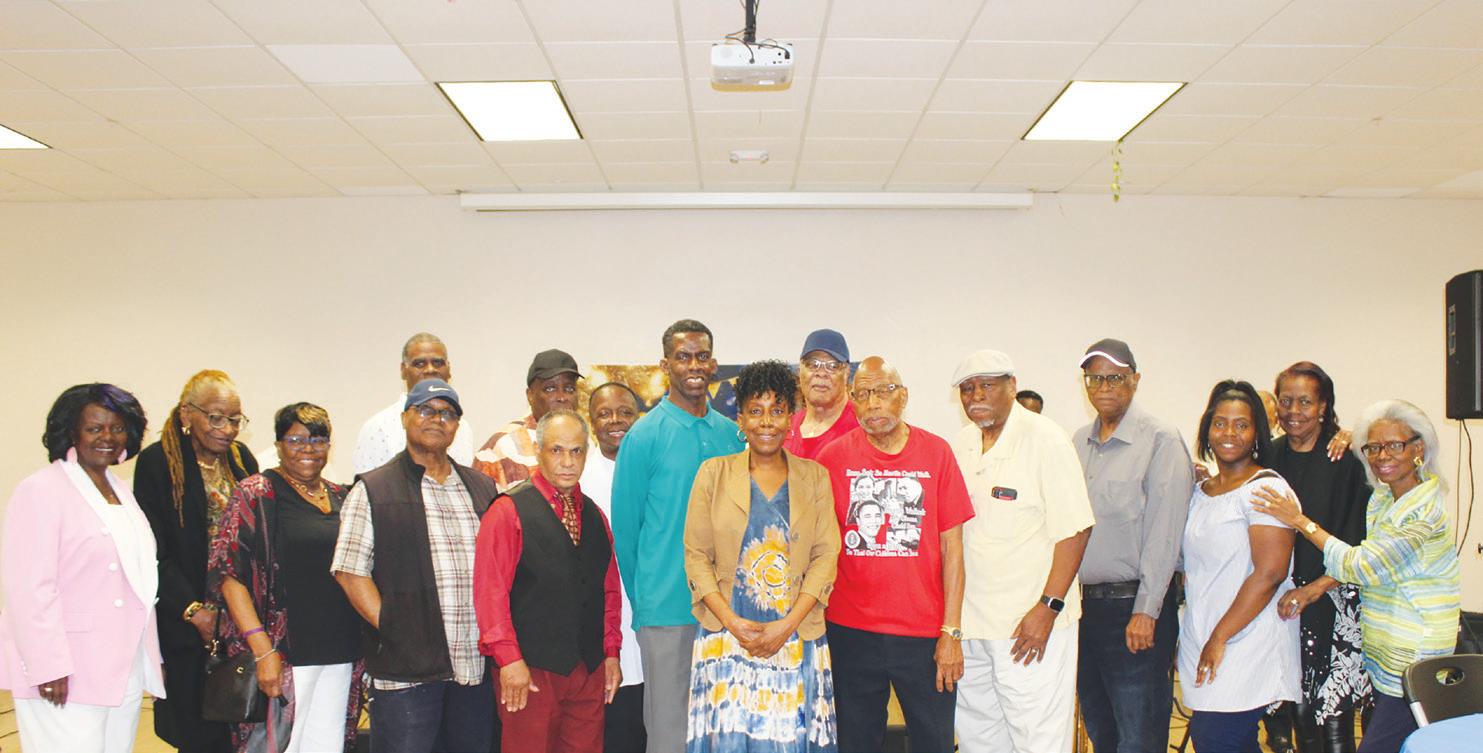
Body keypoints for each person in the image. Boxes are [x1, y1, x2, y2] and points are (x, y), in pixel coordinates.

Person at [1254, 399, 1461, 753]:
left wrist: (1299, 521)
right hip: (1384, 655)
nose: (1382, 456)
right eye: (1373, 447)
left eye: (1394, 445)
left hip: (1414, 659)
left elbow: (1362, 565)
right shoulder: (1385, 498)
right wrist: (1349, 438)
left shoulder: (1423, 511)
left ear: (1418, 449)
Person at [814, 356, 975, 753]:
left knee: (934, 741)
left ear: (903, 396)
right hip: (851, 630)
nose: (873, 404)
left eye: (884, 392)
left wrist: (951, 631)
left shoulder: (936, 452)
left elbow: (953, 548)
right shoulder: (832, 458)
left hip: (923, 634)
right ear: (852, 401)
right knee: (855, 742)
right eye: (863, 394)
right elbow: (817, 545)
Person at [330, 379, 500, 753]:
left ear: (457, 425)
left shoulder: (482, 488)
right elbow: (350, 572)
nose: (437, 419)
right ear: (406, 417)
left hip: (473, 667)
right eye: (425, 410)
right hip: (405, 673)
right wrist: (395, 628)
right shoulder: (374, 489)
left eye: (447, 413)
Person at [683, 360, 842, 752]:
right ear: (740, 419)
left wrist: (786, 626)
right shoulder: (713, 474)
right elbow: (696, 556)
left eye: (777, 410)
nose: (766, 422)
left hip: (795, 634)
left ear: (790, 419)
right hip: (728, 636)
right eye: (755, 411)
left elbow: (826, 556)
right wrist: (732, 623)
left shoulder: (815, 477)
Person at [0, 384, 165, 753]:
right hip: (67, 670)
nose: (108, 437)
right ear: (71, 432)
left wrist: (152, 657)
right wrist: (48, 666)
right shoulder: (41, 490)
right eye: (94, 428)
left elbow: (137, 580)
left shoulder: (120, 490)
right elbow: (29, 589)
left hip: (122, 666)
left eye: (117, 428)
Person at [950, 350, 1095, 753]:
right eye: (967, 388)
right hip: (972, 626)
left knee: (1038, 740)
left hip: (1028, 627)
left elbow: (1076, 530)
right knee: (978, 738)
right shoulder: (961, 444)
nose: (976, 395)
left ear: (1012, 386)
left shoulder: (1046, 439)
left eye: (987, 385)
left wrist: (1047, 608)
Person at [611, 319, 745, 753]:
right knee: (670, 735)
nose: (694, 365)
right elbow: (626, 534)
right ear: (665, 364)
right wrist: (648, 602)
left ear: (714, 364)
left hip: (727, 612)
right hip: (667, 610)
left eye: (702, 356)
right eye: (683, 357)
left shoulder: (731, 436)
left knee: (723, 732)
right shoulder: (643, 437)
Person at [208, 403, 366, 753]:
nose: (308, 449)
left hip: (340, 650)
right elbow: (229, 576)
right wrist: (262, 649)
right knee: (278, 746)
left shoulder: (343, 497)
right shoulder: (256, 493)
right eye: (296, 440)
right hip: (285, 654)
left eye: (318, 440)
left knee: (327, 746)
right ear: (278, 444)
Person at [475, 410, 623, 753]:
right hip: (529, 670)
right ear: (539, 451)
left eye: (576, 451)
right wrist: (509, 659)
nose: (568, 462)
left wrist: (611, 652)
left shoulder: (595, 515)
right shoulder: (507, 511)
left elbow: (608, 591)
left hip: (588, 671)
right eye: (557, 450)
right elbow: (490, 594)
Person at [1071, 339, 1192, 753]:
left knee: (1139, 738)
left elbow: (1165, 532)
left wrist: (1146, 610)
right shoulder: (1078, 443)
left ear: (1135, 380)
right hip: (1084, 612)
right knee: (1102, 730)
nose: (1103, 387)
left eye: (1114, 378)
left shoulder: (1160, 440)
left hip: (1134, 610)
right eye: (1094, 378)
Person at [135, 369, 259, 753]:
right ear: (187, 413)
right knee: (196, 731)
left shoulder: (241, 459)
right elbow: (153, 549)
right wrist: (193, 611)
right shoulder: (159, 462)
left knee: (240, 725)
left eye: (235, 419)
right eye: (216, 417)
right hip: (186, 619)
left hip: (239, 618)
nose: (227, 429)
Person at [1178, 380, 1299, 753]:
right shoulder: (1200, 492)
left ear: (1257, 433)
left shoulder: (1266, 490)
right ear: (1206, 429)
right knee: (1227, 742)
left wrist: (1220, 637)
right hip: (1203, 633)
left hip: (1247, 639)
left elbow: (1270, 573)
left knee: (1216, 738)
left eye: (1241, 425)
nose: (1229, 433)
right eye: (1220, 423)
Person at [1263, 362, 1372, 752]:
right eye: (1286, 401)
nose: (1293, 411)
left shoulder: (1346, 458)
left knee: (1333, 720)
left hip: (1333, 600)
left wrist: (1316, 589)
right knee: (1297, 715)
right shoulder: (1269, 456)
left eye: (1305, 402)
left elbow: (1359, 541)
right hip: (1282, 603)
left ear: (1323, 406)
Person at [583, 383, 648, 753]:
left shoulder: (650, 470)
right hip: (603, 629)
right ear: (591, 420)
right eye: (605, 413)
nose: (615, 421)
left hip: (651, 621)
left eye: (625, 412)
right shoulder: (580, 479)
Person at [351, 332, 475, 474]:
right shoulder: (378, 427)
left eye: (437, 363)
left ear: (449, 369)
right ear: (403, 370)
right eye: (419, 364)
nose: (430, 369)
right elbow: (369, 485)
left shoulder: (463, 428)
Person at [475, 349, 583, 492]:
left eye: (569, 389)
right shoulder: (503, 446)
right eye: (550, 389)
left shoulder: (586, 443)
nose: (562, 397)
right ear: (530, 395)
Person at [783, 329, 858, 459]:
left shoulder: (863, 426)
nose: (821, 373)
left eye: (832, 366)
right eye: (813, 364)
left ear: (846, 373)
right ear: (799, 371)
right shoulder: (785, 428)